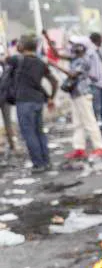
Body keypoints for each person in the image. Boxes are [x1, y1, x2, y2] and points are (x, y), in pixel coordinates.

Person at [8, 35, 57, 172]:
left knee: (29, 133)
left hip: (24, 101)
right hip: (38, 101)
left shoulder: (16, 60)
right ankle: (46, 162)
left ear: (22, 47)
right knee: (39, 132)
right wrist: (51, 98)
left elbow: (5, 61)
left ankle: (38, 164)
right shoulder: (41, 63)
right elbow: (54, 81)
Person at [51, 43, 102, 159]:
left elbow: (72, 74)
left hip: (82, 94)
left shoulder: (83, 61)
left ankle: (99, 147)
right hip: (75, 94)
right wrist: (47, 38)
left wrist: (55, 65)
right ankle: (79, 148)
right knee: (77, 123)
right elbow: (57, 54)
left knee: (89, 121)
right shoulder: (75, 58)